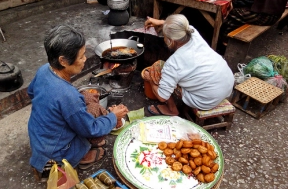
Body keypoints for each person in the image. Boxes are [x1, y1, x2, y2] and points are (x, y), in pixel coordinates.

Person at [27, 25, 128, 173]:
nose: (84, 59)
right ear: (62, 61)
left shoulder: (44, 70)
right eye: (81, 56)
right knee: (94, 123)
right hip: (55, 152)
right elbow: (91, 129)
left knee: (86, 96)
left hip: (39, 139)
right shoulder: (67, 95)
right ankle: (81, 156)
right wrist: (114, 116)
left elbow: (31, 92)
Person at [143, 14, 234, 116]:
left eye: (165, 36)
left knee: (158, 66)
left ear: (171, 40)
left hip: (205, 101)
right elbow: (181, 27)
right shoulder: (192, 32)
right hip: (227, 85)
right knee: (180, 75)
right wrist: (159, 22)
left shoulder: (173, 63)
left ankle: (172, 110)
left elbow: (162, 97)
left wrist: (150, 79)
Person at [220, 0, 288, 47]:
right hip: (275, 13)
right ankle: (225, 42)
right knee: (235, 16)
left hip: (267, 17)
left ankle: (224, 43)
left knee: (233, 12)